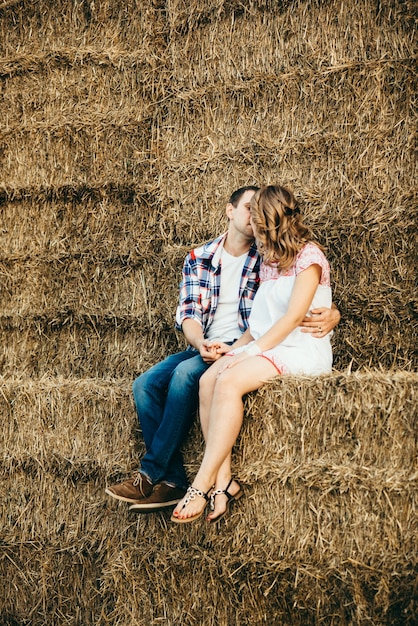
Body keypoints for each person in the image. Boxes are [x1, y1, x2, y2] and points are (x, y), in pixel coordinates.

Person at [105, 185, 340, 513]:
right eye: (246, 210)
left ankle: (180, 480)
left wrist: (334, 314)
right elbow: (189, 314)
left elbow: (294, 313)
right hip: (214, 345)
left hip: (277, 346)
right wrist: (203, 344)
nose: (251, 221)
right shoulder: (203, 257)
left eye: (256, 215)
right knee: (148, 384)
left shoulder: (269, 256)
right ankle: (185, 479)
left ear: (267, 221)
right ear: (230, 211)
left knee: (193, 377)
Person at [172, 184, 334, 523]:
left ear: (268, 223)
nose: (252, 229)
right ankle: (223, 481)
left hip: (299, 348)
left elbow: (291, 318)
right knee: (208, 379)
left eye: (256, 222)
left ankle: (201, 483)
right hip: (268, 344)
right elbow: (259, 324)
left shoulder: (309, 257)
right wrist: (234, 349)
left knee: (229, 382)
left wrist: (250, 353)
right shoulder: (269, 262)